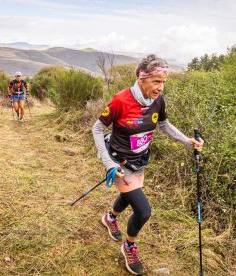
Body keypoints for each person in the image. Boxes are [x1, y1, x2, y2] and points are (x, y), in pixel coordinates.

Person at [92, 54, 204, 275]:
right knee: (143, 211)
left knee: (128, 195)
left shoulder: (157, 101)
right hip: (119, 162)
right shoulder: (121, 100)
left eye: (163, 82)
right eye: (156, 81)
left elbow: (164, 124)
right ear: (141, 79)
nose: (161, 87)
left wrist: (186, 141)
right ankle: (129, 246)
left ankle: (110, 218)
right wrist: (108, 164)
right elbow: (97, 129)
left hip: (140, 160)